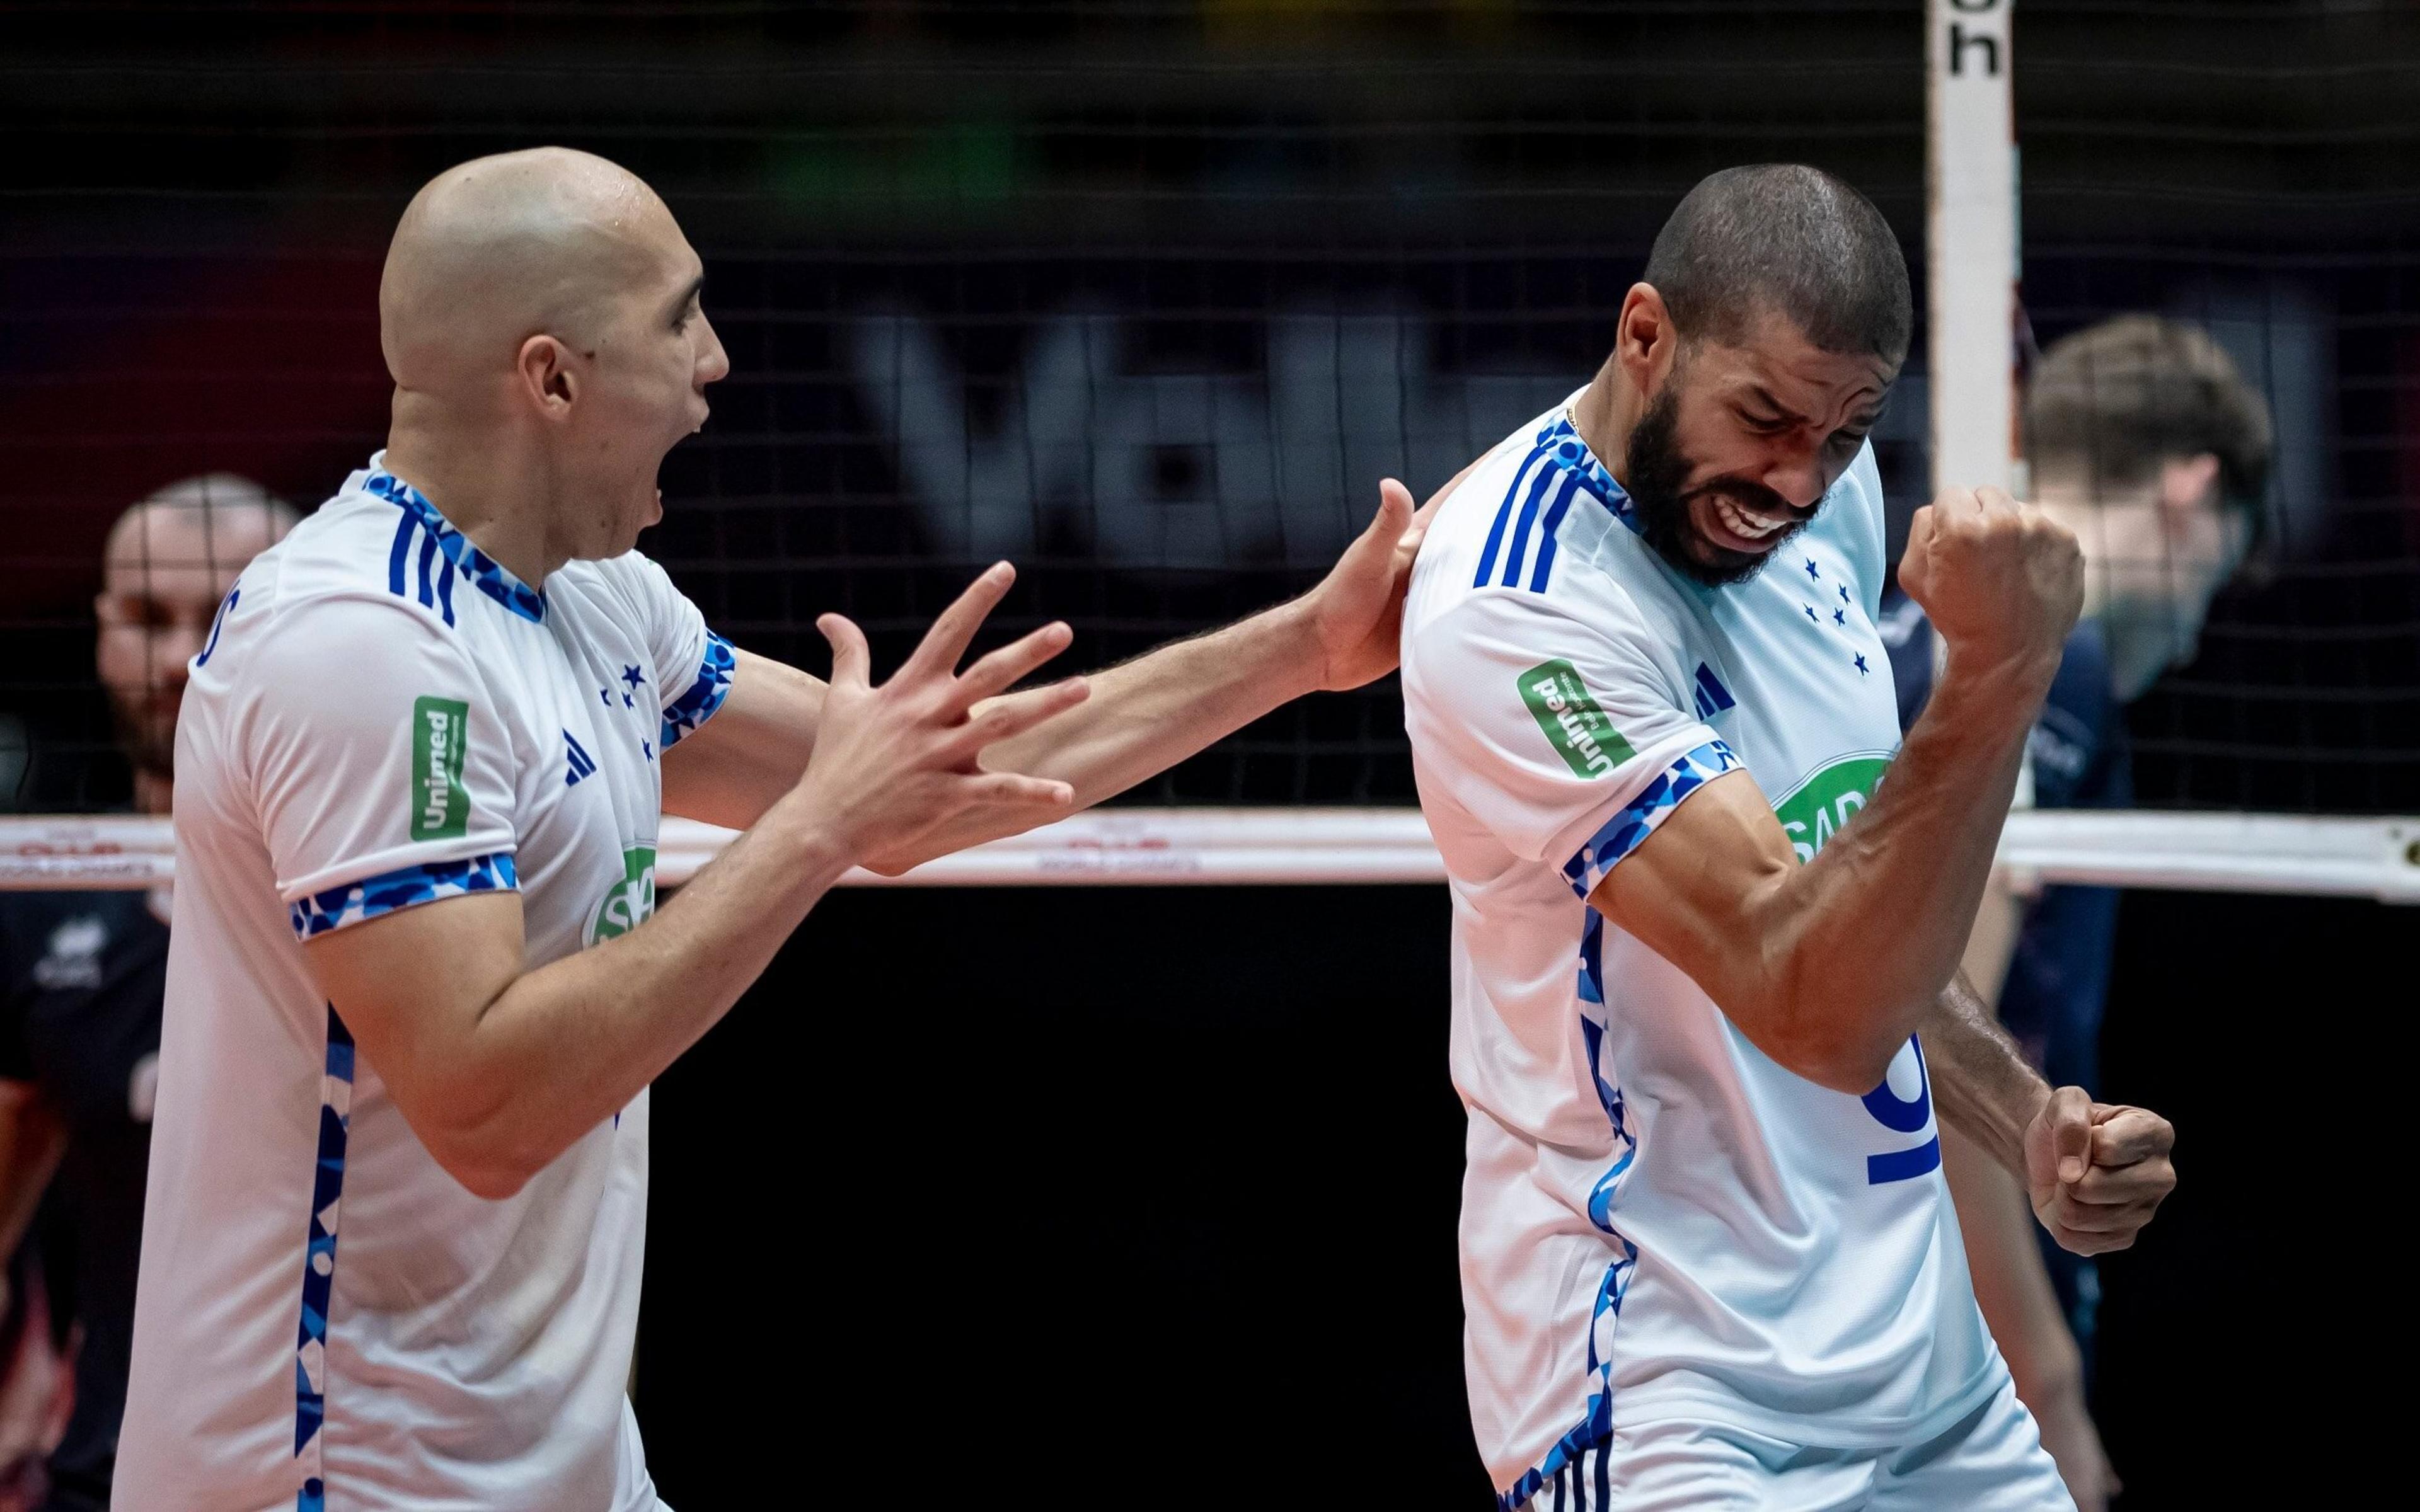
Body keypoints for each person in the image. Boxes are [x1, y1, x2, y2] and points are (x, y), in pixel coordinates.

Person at [115, 147, 1431, 1510]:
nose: (720, 360)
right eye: (679, 318)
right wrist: (813, 835)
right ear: (553, 379)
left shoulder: (601, 599)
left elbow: (928, 781)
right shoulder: (360, 647)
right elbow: (486, 1106)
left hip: (553, 1466)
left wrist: (1304, 650)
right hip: (340, 1477)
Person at [1398, 164, 2180, 1509]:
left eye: (1842, 434)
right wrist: (1999, 677)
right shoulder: (1519, 613)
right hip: (1668, 1393)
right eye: (1761, 419)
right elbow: (1807, 993)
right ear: (1646, 335)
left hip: (1927, 1373)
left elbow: (1861, 897)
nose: (1793, 483)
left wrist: (2017, 1119)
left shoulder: (1833, 495)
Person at [1880, 314, 2273, 1509]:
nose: (2204, 626)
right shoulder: (2062, 664)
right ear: (2189, 494)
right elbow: (1931, 1037)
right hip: (1953, 1378)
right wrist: (2051, 1395)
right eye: (2224, 561)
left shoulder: (1904, 637)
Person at [0, 477, 296, 1510]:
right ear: (97, 633)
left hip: (369, 1470)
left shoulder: (395, 894)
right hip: (115, 1470)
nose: (180, 660)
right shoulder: (37, 904)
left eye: (224, 617)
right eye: (146, 619)